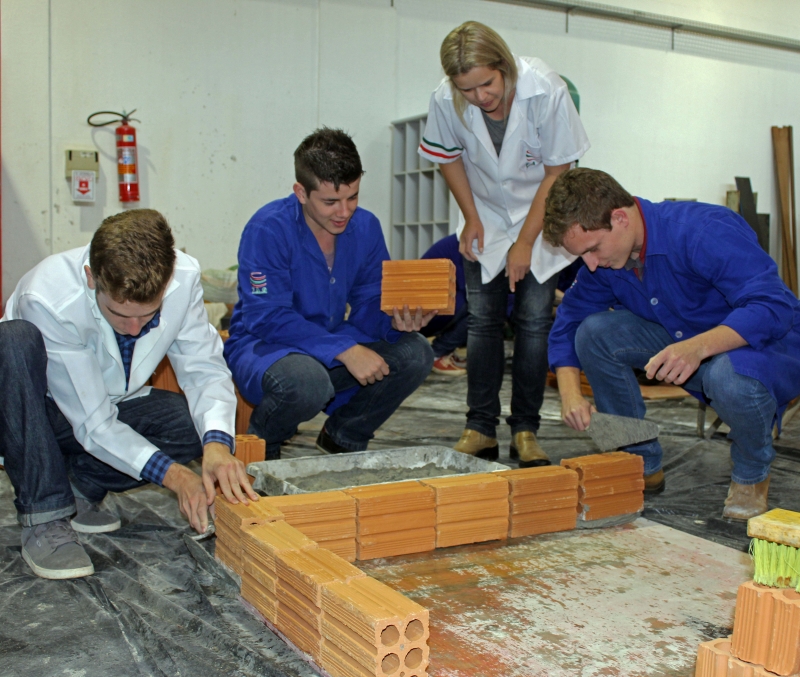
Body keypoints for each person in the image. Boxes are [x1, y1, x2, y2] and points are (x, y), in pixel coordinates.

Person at [0, 209, 257, 580]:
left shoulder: (183, 277)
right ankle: (44, 516)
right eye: (119, 315)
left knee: (191, 426)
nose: (135, 329)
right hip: (31, 416)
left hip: (101, 407)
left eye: (148, 315)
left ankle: (79, 486)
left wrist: (217, 446)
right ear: (91, 277)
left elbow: (203, 369)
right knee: (13, 341)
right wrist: (177, 477)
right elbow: (93, 423)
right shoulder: (48, 296)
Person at [544, 167, 800, 520]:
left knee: (729, 377)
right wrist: (570, 393)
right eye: (581, 256)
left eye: (592, 249)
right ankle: (638, 461)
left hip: (763, 349)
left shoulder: (704, 230)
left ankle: (751, 474)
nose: (590, 264)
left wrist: (698, 348)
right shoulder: (606, 261)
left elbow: (773, 306)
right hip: (684, 343)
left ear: (620, 218)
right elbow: (570, 319)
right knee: (593, 332)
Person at [420, 21, 590, 466]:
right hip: (487, 218)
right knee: (482, 322)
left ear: (505, 66)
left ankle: (525, 430)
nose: (479, 97)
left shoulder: (546, 89)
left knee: (533, 322)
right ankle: (480, 427)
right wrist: (471, 217)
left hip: (542, 216)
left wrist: (526, 242)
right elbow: (447, 158)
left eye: (487, 84)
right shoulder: (445, 99)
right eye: (467, 89)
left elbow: (558, 171)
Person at [224, 128, 434, 460]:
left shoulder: (366, 227)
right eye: (330, 202)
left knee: (416, 352)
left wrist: (395, 320)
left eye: (353, 197)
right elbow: (266, 317)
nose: (344, 212)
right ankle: (261, 449)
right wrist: (344, 350)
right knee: (307, 382)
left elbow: (370, 301)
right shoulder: (267, 229)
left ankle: (343, 438)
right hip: (264, 345)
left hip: (329, 337)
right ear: (301, 192)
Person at [420, 234, 469, 375]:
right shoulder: (467, 244)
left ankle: (442, 351)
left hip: (424, 310)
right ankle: (437, 353)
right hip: (422, 314)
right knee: (482, 307)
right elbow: (472, 292)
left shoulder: (462, 239)